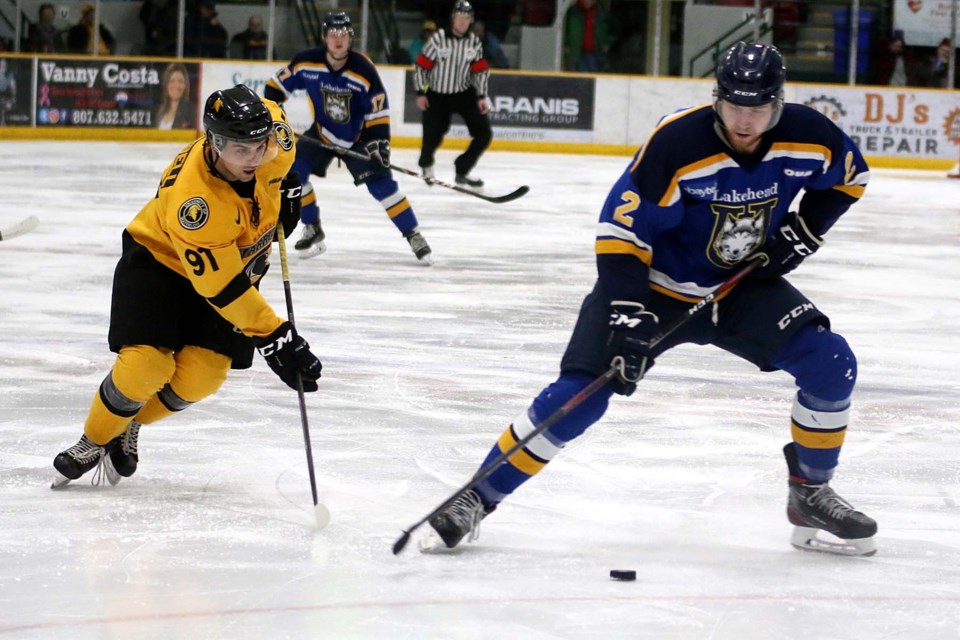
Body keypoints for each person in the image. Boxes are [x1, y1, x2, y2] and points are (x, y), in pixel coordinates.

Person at [422, 42, 878, 558]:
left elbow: (850, 177)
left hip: (740, 286)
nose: (745, 121)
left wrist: (804, 231)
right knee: (581, 394)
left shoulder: (809, 134)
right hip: (654, 288)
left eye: (758, 109)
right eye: (734, 106)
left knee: (830, 361)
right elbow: (621, 232)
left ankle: (810, 494)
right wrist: (626, 313)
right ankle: (475, 498)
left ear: (778, 103)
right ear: (716, 99)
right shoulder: (677, 142)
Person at [51, 85, 321, 488]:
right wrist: (275, 336)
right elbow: (223, 287)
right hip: (160, 262)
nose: (255, 157)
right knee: (146, 366)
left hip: (234, 266)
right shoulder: (195, 204)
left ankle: (130, 423)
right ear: (213, 142)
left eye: (260, 145)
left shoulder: (276, 140)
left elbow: (274, 124)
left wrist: (286, 190)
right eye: (241, 149)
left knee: (204, 376)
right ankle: (94, 438)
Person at [265, 11, 432, 264]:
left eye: (343, 34)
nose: (338, 39)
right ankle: (312, 227)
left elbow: (378, 109)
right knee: (293, 174)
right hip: (321, 133)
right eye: (333, 34)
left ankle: (413, 234)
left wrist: (379, 145)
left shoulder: (363, 69)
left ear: (350, 38)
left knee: (382, 187)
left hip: (358, 138)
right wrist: (276, 115)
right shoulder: (306, 62)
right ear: (325, 37)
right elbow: (274, 87)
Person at [413, 0, 492, 188]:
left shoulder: (474, 42)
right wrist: (421, 92)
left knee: (484, 133)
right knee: (433, 136)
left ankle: (462, 169)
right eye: (459, 17)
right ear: (453, 19)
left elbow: (480, 71)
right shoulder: (438, 38)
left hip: (464, 93)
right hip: (437, 94)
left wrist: (481, 96)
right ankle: (426, 163)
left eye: (466, 18)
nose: (463, 22)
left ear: (471, 20)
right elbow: (421, 66)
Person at [564, 0, 614, 72]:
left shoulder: (602, 13)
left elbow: (615, 29)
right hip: (577, 54)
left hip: (597, 54)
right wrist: (566, 44)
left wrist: (608, 42)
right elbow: (563, 30)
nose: (589, 1)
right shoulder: (571, 13)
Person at [155, 63, 196, 130]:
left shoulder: (192, 112)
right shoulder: (159, 111)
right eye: (172, 81)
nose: (176, 85)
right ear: (166, 85)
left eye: (180, 81)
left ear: (185, 85)